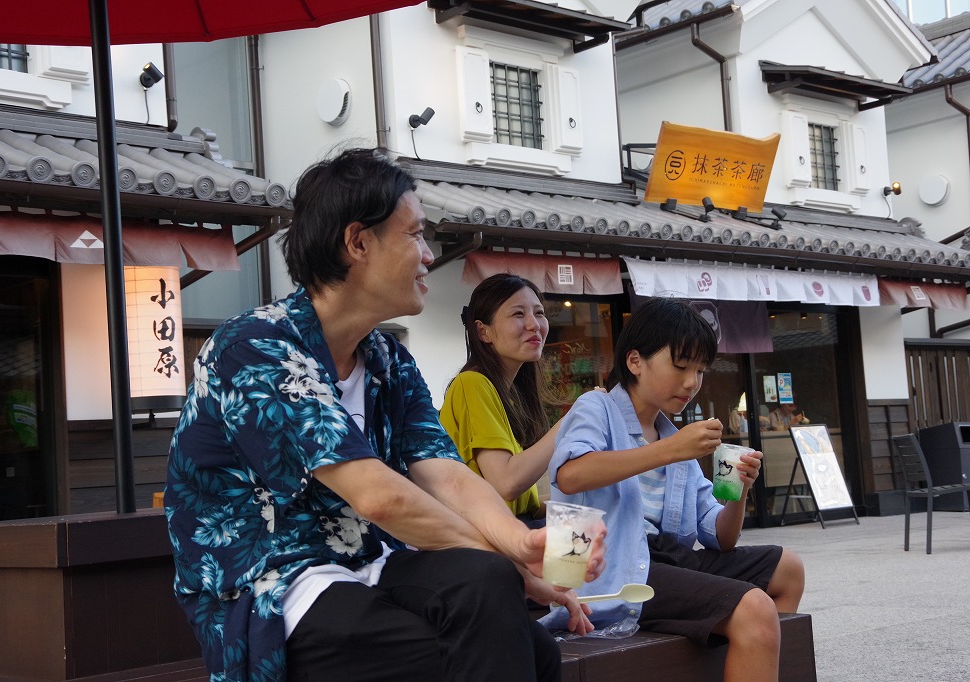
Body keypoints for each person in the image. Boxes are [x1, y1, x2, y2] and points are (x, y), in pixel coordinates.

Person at [164, 148, 605, 682]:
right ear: (357, 243)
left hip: (369, 561)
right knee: (466, 645)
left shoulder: (388, 359)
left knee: (524, 632)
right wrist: (516, 559)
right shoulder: (256, 348)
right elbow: (379, 496)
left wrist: (518, 545)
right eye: (415, 234)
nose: (428, 255)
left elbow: (447, 475)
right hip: (274, 583)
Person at [544, 297, 805, 682]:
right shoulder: (596, 408)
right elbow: (569, 475)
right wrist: (671, 450)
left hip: (668, 562)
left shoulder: (673, 436)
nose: (692, 382)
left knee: (788, 569)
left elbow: (720, 538)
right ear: (635, 361)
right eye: (681, 366)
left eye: (700, 370)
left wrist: (739, 490)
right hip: (612, 570)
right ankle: (750, 637)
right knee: (755, 609)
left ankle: (751, 656)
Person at [440, 273, 561, 526]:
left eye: (539, 313)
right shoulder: (471, 383)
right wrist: (573, 419)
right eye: (518, 314)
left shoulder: (509, 394)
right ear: (483, 331)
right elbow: (506, 483)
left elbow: (521, 506)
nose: (534, 325)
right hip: (483, 540)